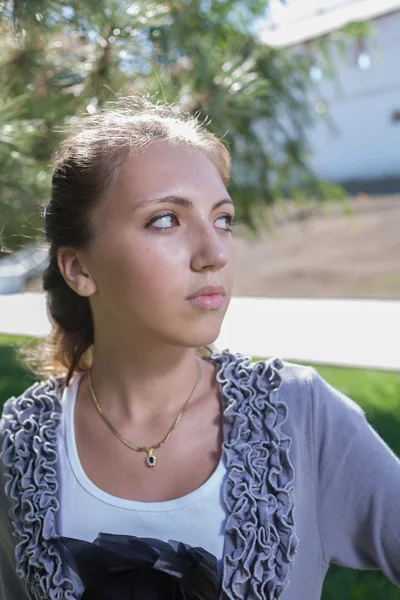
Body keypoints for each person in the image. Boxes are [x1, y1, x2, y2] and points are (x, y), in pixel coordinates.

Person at [0, 96, 399, 600]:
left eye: (223, 220)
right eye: (165, 220)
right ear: (80, 269)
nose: (213, 254)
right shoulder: (21, 446)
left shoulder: (300, 415)